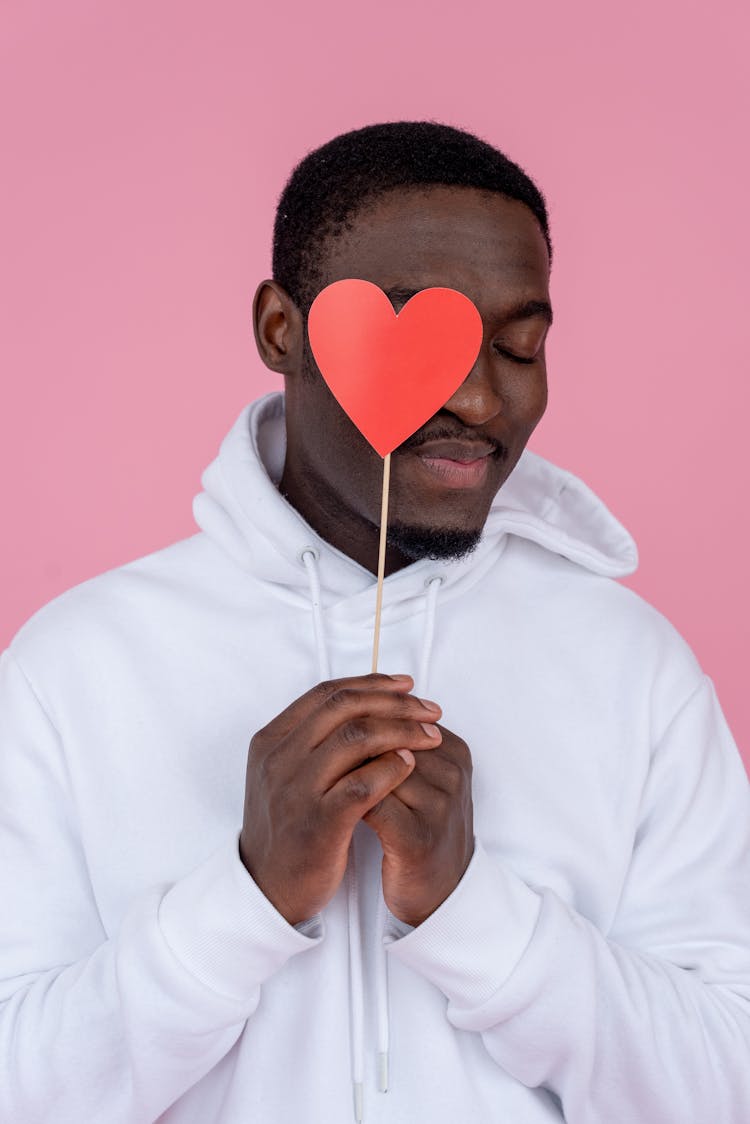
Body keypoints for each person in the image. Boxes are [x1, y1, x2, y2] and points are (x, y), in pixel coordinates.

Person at [1, 121, 749, 1124]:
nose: (480, 395)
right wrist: (245, 898)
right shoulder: (73, 668)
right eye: (423, 335)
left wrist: (473, 908)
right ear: (281, 329)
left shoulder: (636, 669)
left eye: (520, 345)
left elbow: (724, 1082)